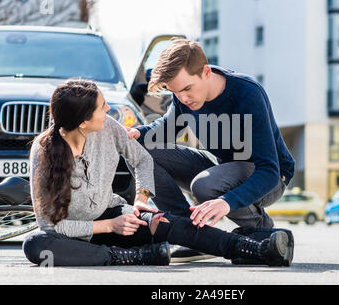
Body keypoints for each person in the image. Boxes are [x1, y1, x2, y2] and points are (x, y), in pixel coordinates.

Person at [22, 79, 294, 267]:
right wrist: (107, 227)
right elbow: (51, 226)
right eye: (102, 107)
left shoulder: (108, 128)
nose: (108, 109)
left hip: (114, 217)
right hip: (76, 234)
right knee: (35, 244)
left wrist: (141, 198)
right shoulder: (43, 153)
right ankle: (129, 257)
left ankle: (255, 247)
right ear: (83, 121)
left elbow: (142, 158)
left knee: (167, 223)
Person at [125, 38, 295, 262]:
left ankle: (260, 230)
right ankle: (191, 232)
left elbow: (269, 170)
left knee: (205, 185)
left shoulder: (247, 93)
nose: (183, 98)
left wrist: (227, 201)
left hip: (271, 178)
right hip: (224, 169)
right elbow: (164, 130)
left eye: (187, 89)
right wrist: (139, 134)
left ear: (206, 72)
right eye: (176, 93)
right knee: (137, 149)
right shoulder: (184, 99)